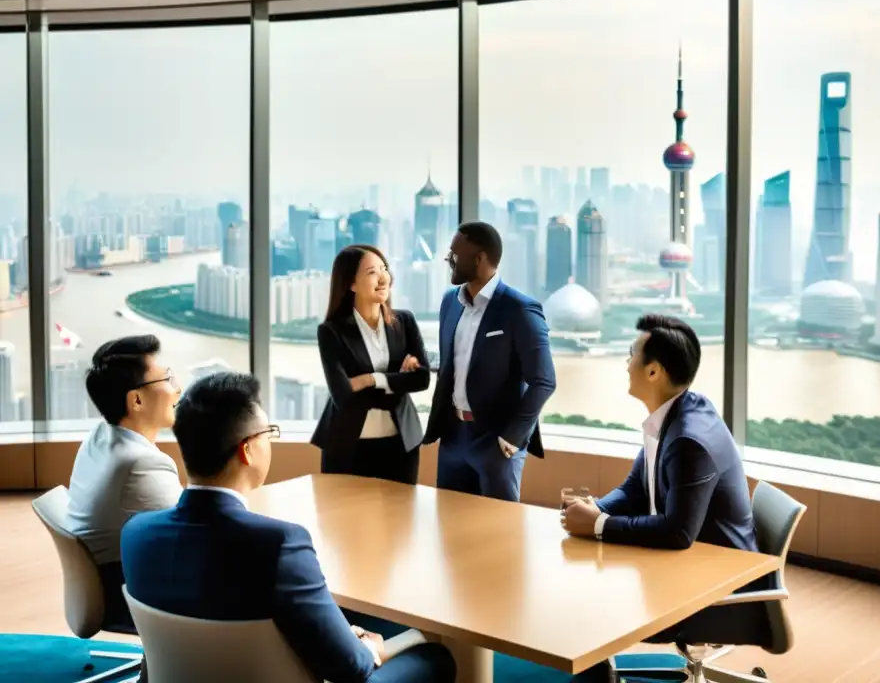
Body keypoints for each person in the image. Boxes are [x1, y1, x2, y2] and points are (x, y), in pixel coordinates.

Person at [121, 372, 456, 683]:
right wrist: (368, 647)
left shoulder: (136, 533)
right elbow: (350, 668)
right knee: (436, 656)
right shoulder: (279, 544)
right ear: (248, 450)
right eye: (268, 434)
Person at [562, 315, 771, 680]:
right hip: (695, 565)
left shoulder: (689, 439)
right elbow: (634, 488)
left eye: (632, 355)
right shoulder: (674, 414)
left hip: (718, 589)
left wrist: (597, 525)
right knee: (590, 584)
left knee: (591, 601)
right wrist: (596, 508)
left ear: (654, 371)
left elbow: (678, 533)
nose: (627, 364)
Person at [424, 221, 556, 502]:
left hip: (495, 443)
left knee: (499, 535)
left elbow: (544, 381)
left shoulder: (519, 309)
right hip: (453, 437)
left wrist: (510, 438)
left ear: (480, 258)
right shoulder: (450, 302)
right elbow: (452, 366)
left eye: (454, 254)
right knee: (449, 529)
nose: (449, 260)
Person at [65, 335, 183, 633]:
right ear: (137, 400)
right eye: (167, 379)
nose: (177, 388)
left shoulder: (100, 436)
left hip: (102, 584)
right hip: (130, 596)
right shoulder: (140, 463)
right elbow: (195, 536)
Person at [312, 245, 430, 485]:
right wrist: (397, 381)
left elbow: (422, 379)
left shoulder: (404, 321)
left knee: (399, 519)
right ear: (351, 284)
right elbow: (342, 393)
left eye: (384, 269)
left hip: (401, 444)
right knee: (344, 520)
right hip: (349, 445)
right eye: (371, 272)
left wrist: (371, 380)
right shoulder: (331, 332)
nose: (383, 277)